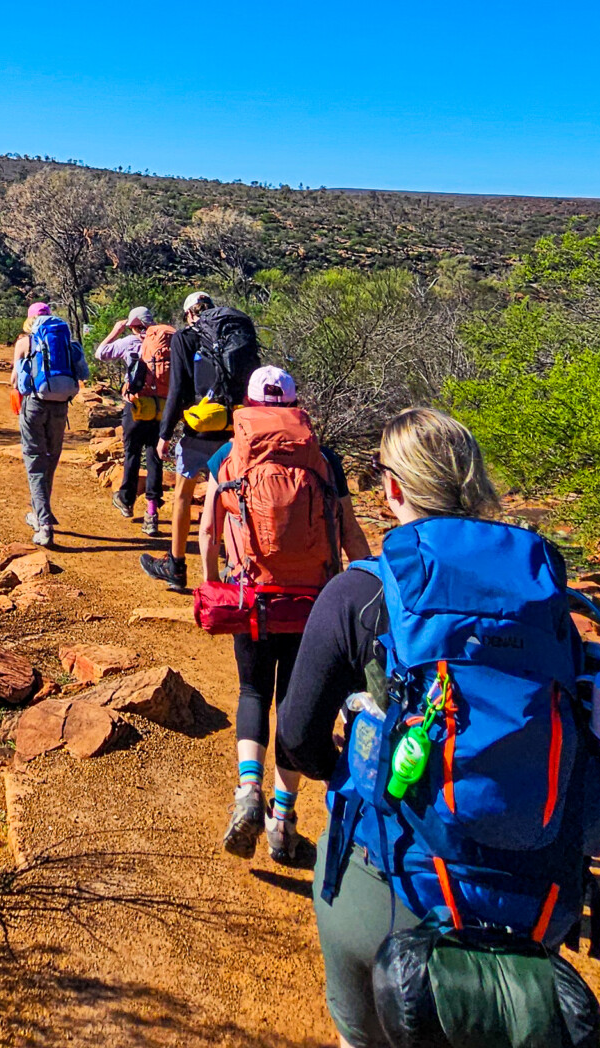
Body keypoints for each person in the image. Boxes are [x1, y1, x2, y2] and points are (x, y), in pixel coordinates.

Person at [277, 408, 510, 1048]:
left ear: (394, 488)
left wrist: (350, 769)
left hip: (395, 882)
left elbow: (296, 737)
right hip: (528, 891)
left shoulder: (360, 592)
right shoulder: (538, 590)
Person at [197, 366, 365, 865]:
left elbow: (207, 531)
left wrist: (213, 587)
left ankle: (248, 792)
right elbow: (351, 535)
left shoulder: (229, 456)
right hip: (313, 603)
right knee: (294, 703)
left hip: (252, 597)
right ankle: (283, 821)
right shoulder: (323, 458)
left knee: (252, 691)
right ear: (295, 404)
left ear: (248, 404)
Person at [138, 290, 259, 592]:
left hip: (199, 429)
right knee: (229, 498)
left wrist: (164, 434)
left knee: (183, 494)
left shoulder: (185, 338)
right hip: (232, 429)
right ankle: (234, 566)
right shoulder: (231, 338)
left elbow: (178, 388)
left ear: (189, 314)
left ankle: (175, 565)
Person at [9, 302, 83, 549]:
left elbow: (15, 380)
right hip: (61, 406)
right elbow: (83, 373)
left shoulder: (25, 342)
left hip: (34, 405)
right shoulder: (66, 341)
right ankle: (42, 511)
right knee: (50, 458)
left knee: (34, 461)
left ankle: (44, 524)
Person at [92, 306, 165, 534]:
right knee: (155, 456)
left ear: (133, 325)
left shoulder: (129, 342)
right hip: (161, 407)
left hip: (136, 405)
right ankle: (152, 512)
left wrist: (115, 331)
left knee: (132, 452)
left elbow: (100, 353)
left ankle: (126, 500)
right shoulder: (165, 344)